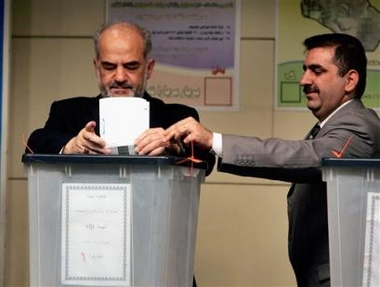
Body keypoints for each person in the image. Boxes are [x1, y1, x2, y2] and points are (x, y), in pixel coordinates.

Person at [157, 33, 380, 286]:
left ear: (350, 80)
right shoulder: (329, 126)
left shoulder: (358, 126)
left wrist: (214, 140)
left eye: (317, 71)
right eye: (305, 70)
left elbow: (307, 157)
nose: (304, 80)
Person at [25, 21, 215, 287]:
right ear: (96, 67)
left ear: (149, 68)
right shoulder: (68, 113)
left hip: (158, 264)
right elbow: (35, 143)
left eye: (131, 66)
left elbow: (206, 158)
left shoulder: (176, 117)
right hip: (86, 263)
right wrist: (71, 146)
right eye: (109, 66)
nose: (120, 77)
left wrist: (174, 146)